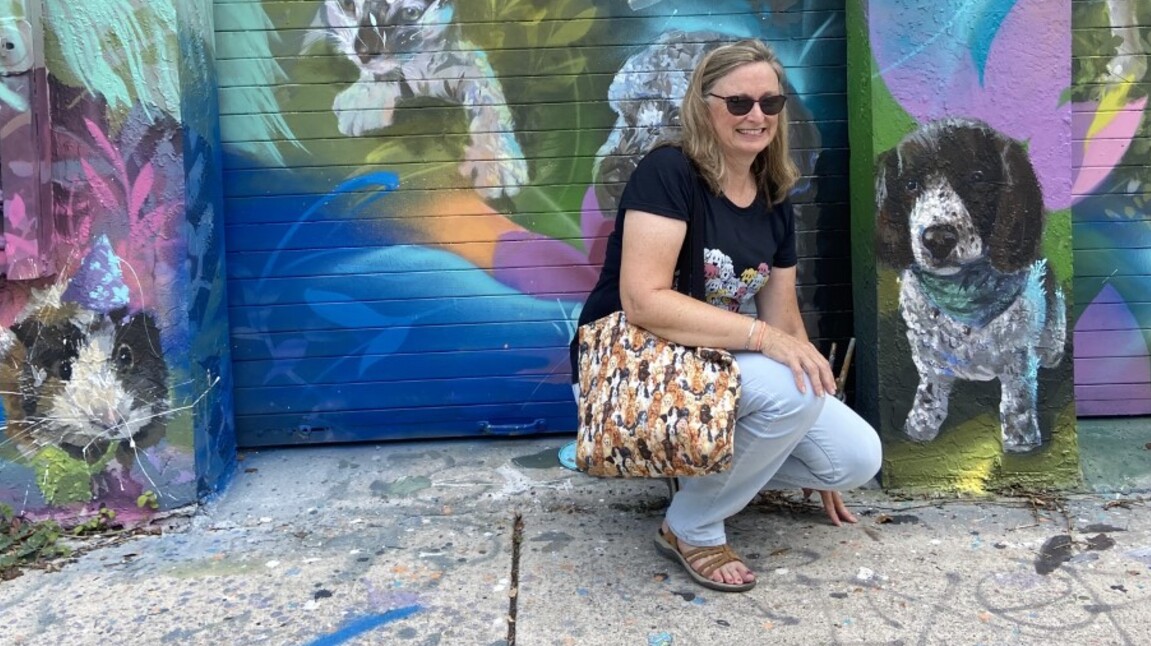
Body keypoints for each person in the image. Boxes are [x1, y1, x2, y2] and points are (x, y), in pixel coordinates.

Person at [570, 39, 882, 593]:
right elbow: (644, 300)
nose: (756, 115)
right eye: (737, 103)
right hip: (633, 369)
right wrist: (766, 346)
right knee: (791, 394)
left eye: (770, 103)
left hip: (716, 368)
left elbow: (783, 315)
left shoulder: (773, 194)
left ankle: (696, 473)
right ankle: (691, 525)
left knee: (855, 459)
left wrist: (812, 418)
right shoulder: (669, 172)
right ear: (703, 104)